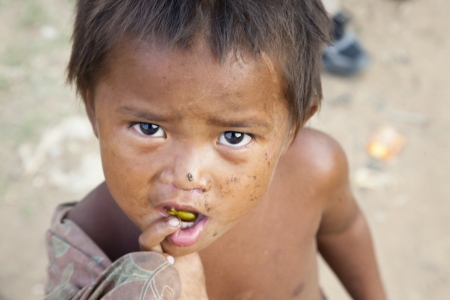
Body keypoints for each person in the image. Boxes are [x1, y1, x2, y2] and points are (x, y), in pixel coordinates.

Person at [44, 0, 386, 299]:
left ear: (292, 128)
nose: (188, 176)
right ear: (92, 109)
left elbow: (345, 229)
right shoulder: (87, 243)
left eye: (234, 137)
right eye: (149, 128)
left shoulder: (314, 170)